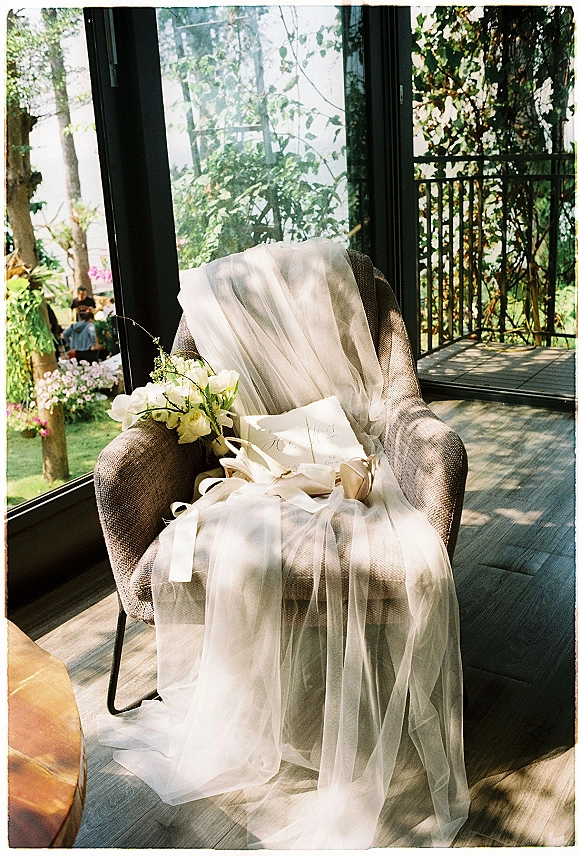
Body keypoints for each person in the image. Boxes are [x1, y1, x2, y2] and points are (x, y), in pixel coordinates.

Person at [97, 240, 469, 849]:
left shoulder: (366, 312)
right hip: (259, 466)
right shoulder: (207, 322)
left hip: (343, 463)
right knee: (234, 532)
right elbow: (187, 411)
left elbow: (400, 403)